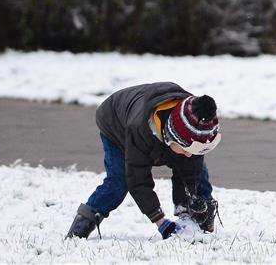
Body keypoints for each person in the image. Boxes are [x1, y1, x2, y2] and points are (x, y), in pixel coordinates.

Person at [65, 82, 222, 240]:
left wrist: (190, 202)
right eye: (186, 149)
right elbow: (138, 179)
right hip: (115, 123)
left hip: (160, 122)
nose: (189, 155)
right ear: (172, 138)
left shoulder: (194, 119)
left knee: (196, 169)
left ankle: (200, 222)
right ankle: (81, 227)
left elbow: (191, 169)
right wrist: (160, 221)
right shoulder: (139, 130)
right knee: (120, 180)